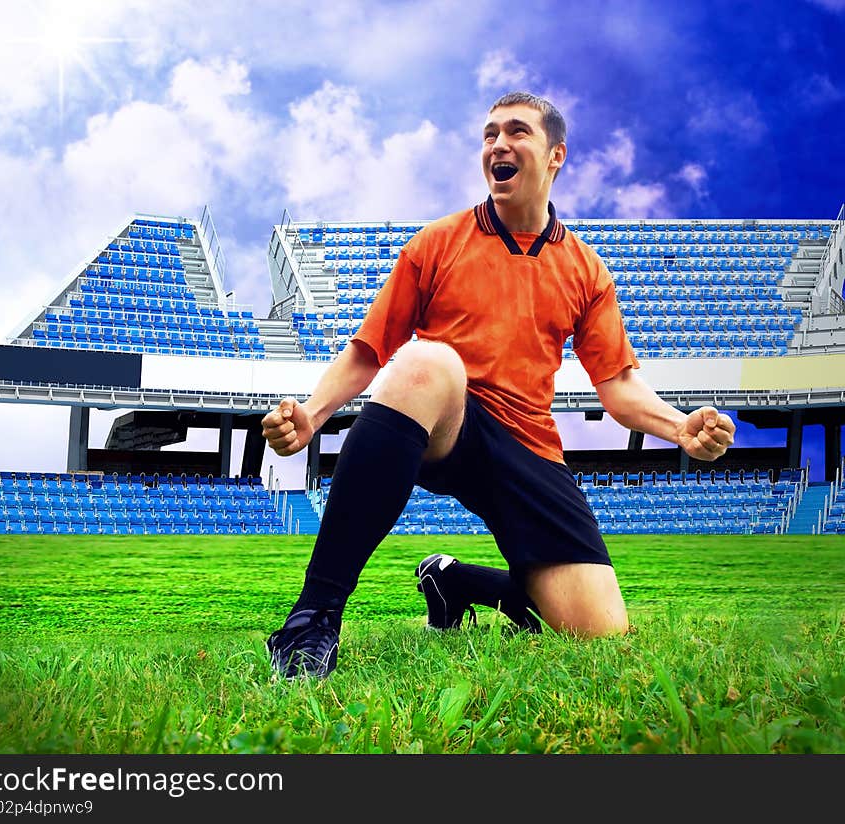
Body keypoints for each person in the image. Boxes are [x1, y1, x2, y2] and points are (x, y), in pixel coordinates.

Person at [261, 91, 736, 679]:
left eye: (517, 132)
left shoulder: (586, 270)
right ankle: (312, 621)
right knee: (426, 362)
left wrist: (679, 426)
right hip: (447, 418)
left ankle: (454, 581)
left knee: (599, 631)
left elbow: (617, 385)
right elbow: (369, 352)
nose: (498, 145)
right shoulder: (439, 242)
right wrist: (311, 413)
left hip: (528, 443)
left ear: (555, 154)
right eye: (489, 135)